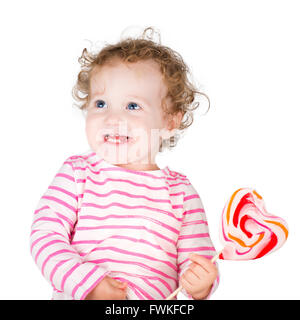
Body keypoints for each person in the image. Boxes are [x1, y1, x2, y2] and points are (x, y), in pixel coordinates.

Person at [30, 26, 219, 300]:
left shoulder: (181, 193)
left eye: (132, 106)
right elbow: (45, 235)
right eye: (101, 103)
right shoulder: (78, 172)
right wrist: (87, 283)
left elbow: (197, 258)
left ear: (169, 121)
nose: (112, 118)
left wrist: (200, 283)